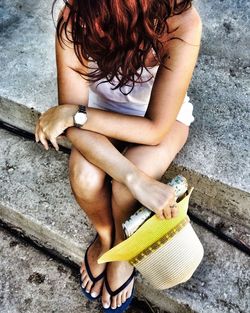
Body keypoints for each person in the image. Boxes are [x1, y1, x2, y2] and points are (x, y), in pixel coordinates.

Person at [35, 0, 202, 312]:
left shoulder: (182, 21)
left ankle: (124, 255)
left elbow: (154, 129)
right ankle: (107, 238)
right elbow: (71, 118)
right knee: (86, 177)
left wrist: (73, 114)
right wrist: (133, 177)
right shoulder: (76, 11)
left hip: (159, 120)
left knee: (126, 187)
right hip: (98, 113)